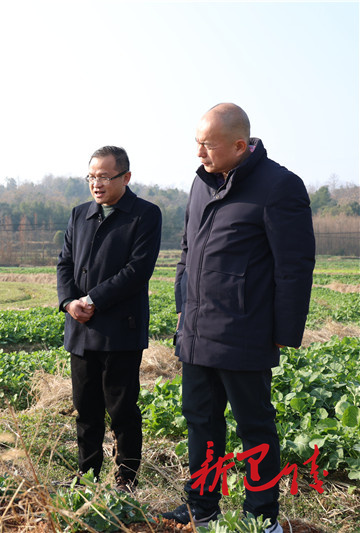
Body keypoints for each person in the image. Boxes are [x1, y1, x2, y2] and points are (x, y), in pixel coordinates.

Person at [163, 103, 315, 532]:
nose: (199, 153)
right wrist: (183, 306)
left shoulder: (279, 186)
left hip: (244, 331)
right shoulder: (201, 183)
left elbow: (294, 266)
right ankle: (202, 507)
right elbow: (187, 250)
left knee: (254, 427)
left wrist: (284, 332)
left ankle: (261, 518)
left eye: (207, 145)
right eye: (197, 143)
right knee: (201, 421)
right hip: (197, 331)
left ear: (239, 145)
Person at [57, 145, 162, 492]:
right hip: (80, 328)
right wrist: (69, 302)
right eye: (91, 177)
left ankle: (125, 480)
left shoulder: (144, 215)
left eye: (104, 176)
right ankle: (86, 477)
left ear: (125, 177)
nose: (96, 184)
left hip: (120, 332)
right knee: (85, 410)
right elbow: (64, 263)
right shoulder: (80, 214)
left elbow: (137, 270)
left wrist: (92, 299)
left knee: (122, 410)